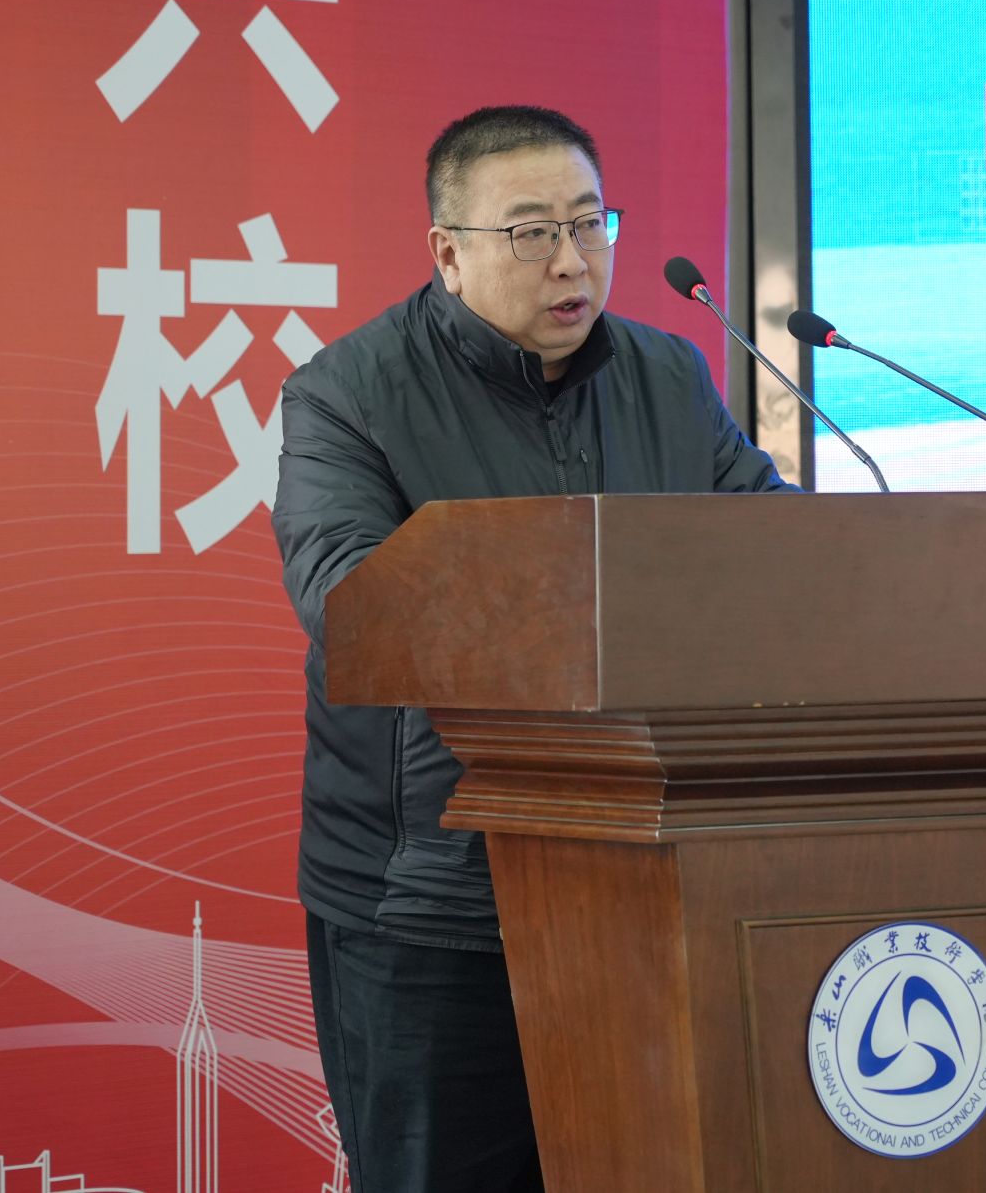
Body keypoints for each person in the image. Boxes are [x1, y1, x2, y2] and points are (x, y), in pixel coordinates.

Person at [273, 105, 793, 1193]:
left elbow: (777, 551)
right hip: (433, 905)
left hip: (643, 878)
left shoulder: (668, 374)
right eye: (530, 233)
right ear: (448, 252)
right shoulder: (347, 393)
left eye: (589, 223)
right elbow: (350, 604)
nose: (571, 260)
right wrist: (600, 593)